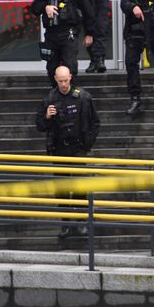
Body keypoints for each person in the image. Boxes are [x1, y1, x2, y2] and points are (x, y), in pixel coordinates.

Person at [35, 65, 100, 238]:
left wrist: (88, 143)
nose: (64, 84)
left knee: (79, 187)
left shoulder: (83, 97)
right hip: (59, 149)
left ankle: (81, 223)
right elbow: (40, 125)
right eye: (60, 80)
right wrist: (47, 117)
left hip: (78, 148)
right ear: (55, 79)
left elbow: (95, 122)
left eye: (66, 80)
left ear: (70, 77)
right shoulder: (50, 98)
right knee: (62, 189)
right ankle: (65, 223)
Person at [30, 0, 95, 87]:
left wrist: (89, 33)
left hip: (68, 33)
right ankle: (56, 95)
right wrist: (45, 7)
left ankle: (71, 97)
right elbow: (34, 9)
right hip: (51, 34)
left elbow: (88, 12)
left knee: (70, 66)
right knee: (52, 68)